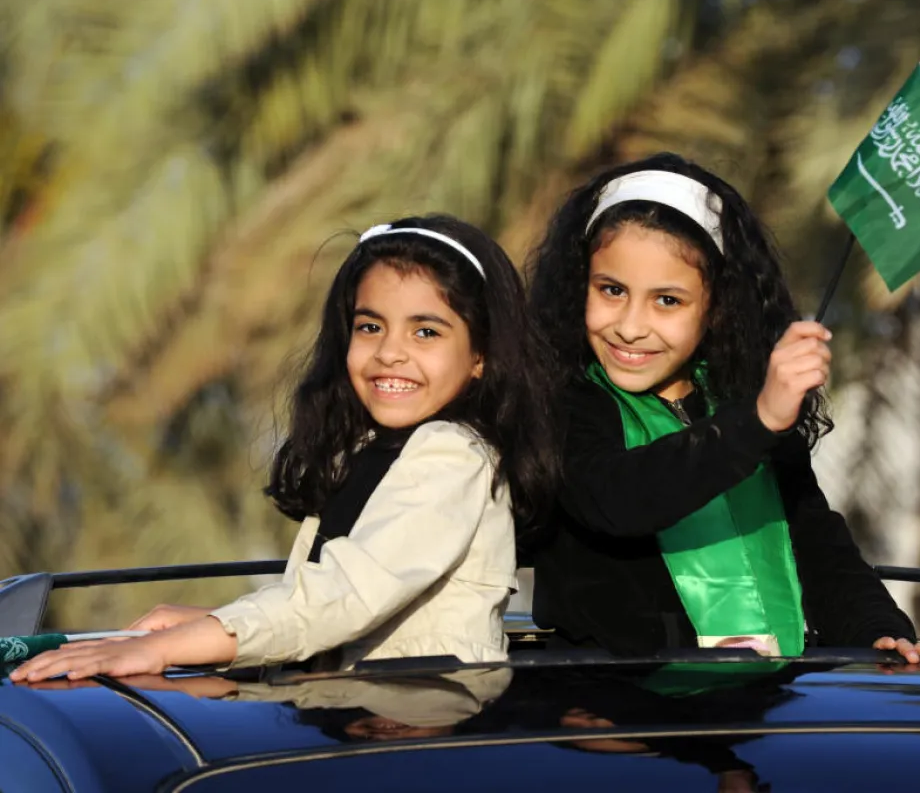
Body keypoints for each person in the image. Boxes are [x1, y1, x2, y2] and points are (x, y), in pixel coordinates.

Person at [11, 214, 556, 682]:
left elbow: (346, 596)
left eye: (426, 332)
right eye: (370, 326)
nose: (390, 352)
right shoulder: (372, 450)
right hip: (361, 716)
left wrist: (170, 647)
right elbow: (324, 605)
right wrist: (213, 623)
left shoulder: (453, 456)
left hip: (426, 729)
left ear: (481, 356)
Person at [525, 152, 920, 665]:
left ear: (718, 308)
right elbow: (619, 498)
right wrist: (758, 421)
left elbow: (817, 545)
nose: (631, 327)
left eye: (667, 300)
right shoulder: (561, 402)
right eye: (612, 290)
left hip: (760, 702)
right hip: (611, 705)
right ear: (579, 286)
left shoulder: (741, 402)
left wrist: (878, 631)